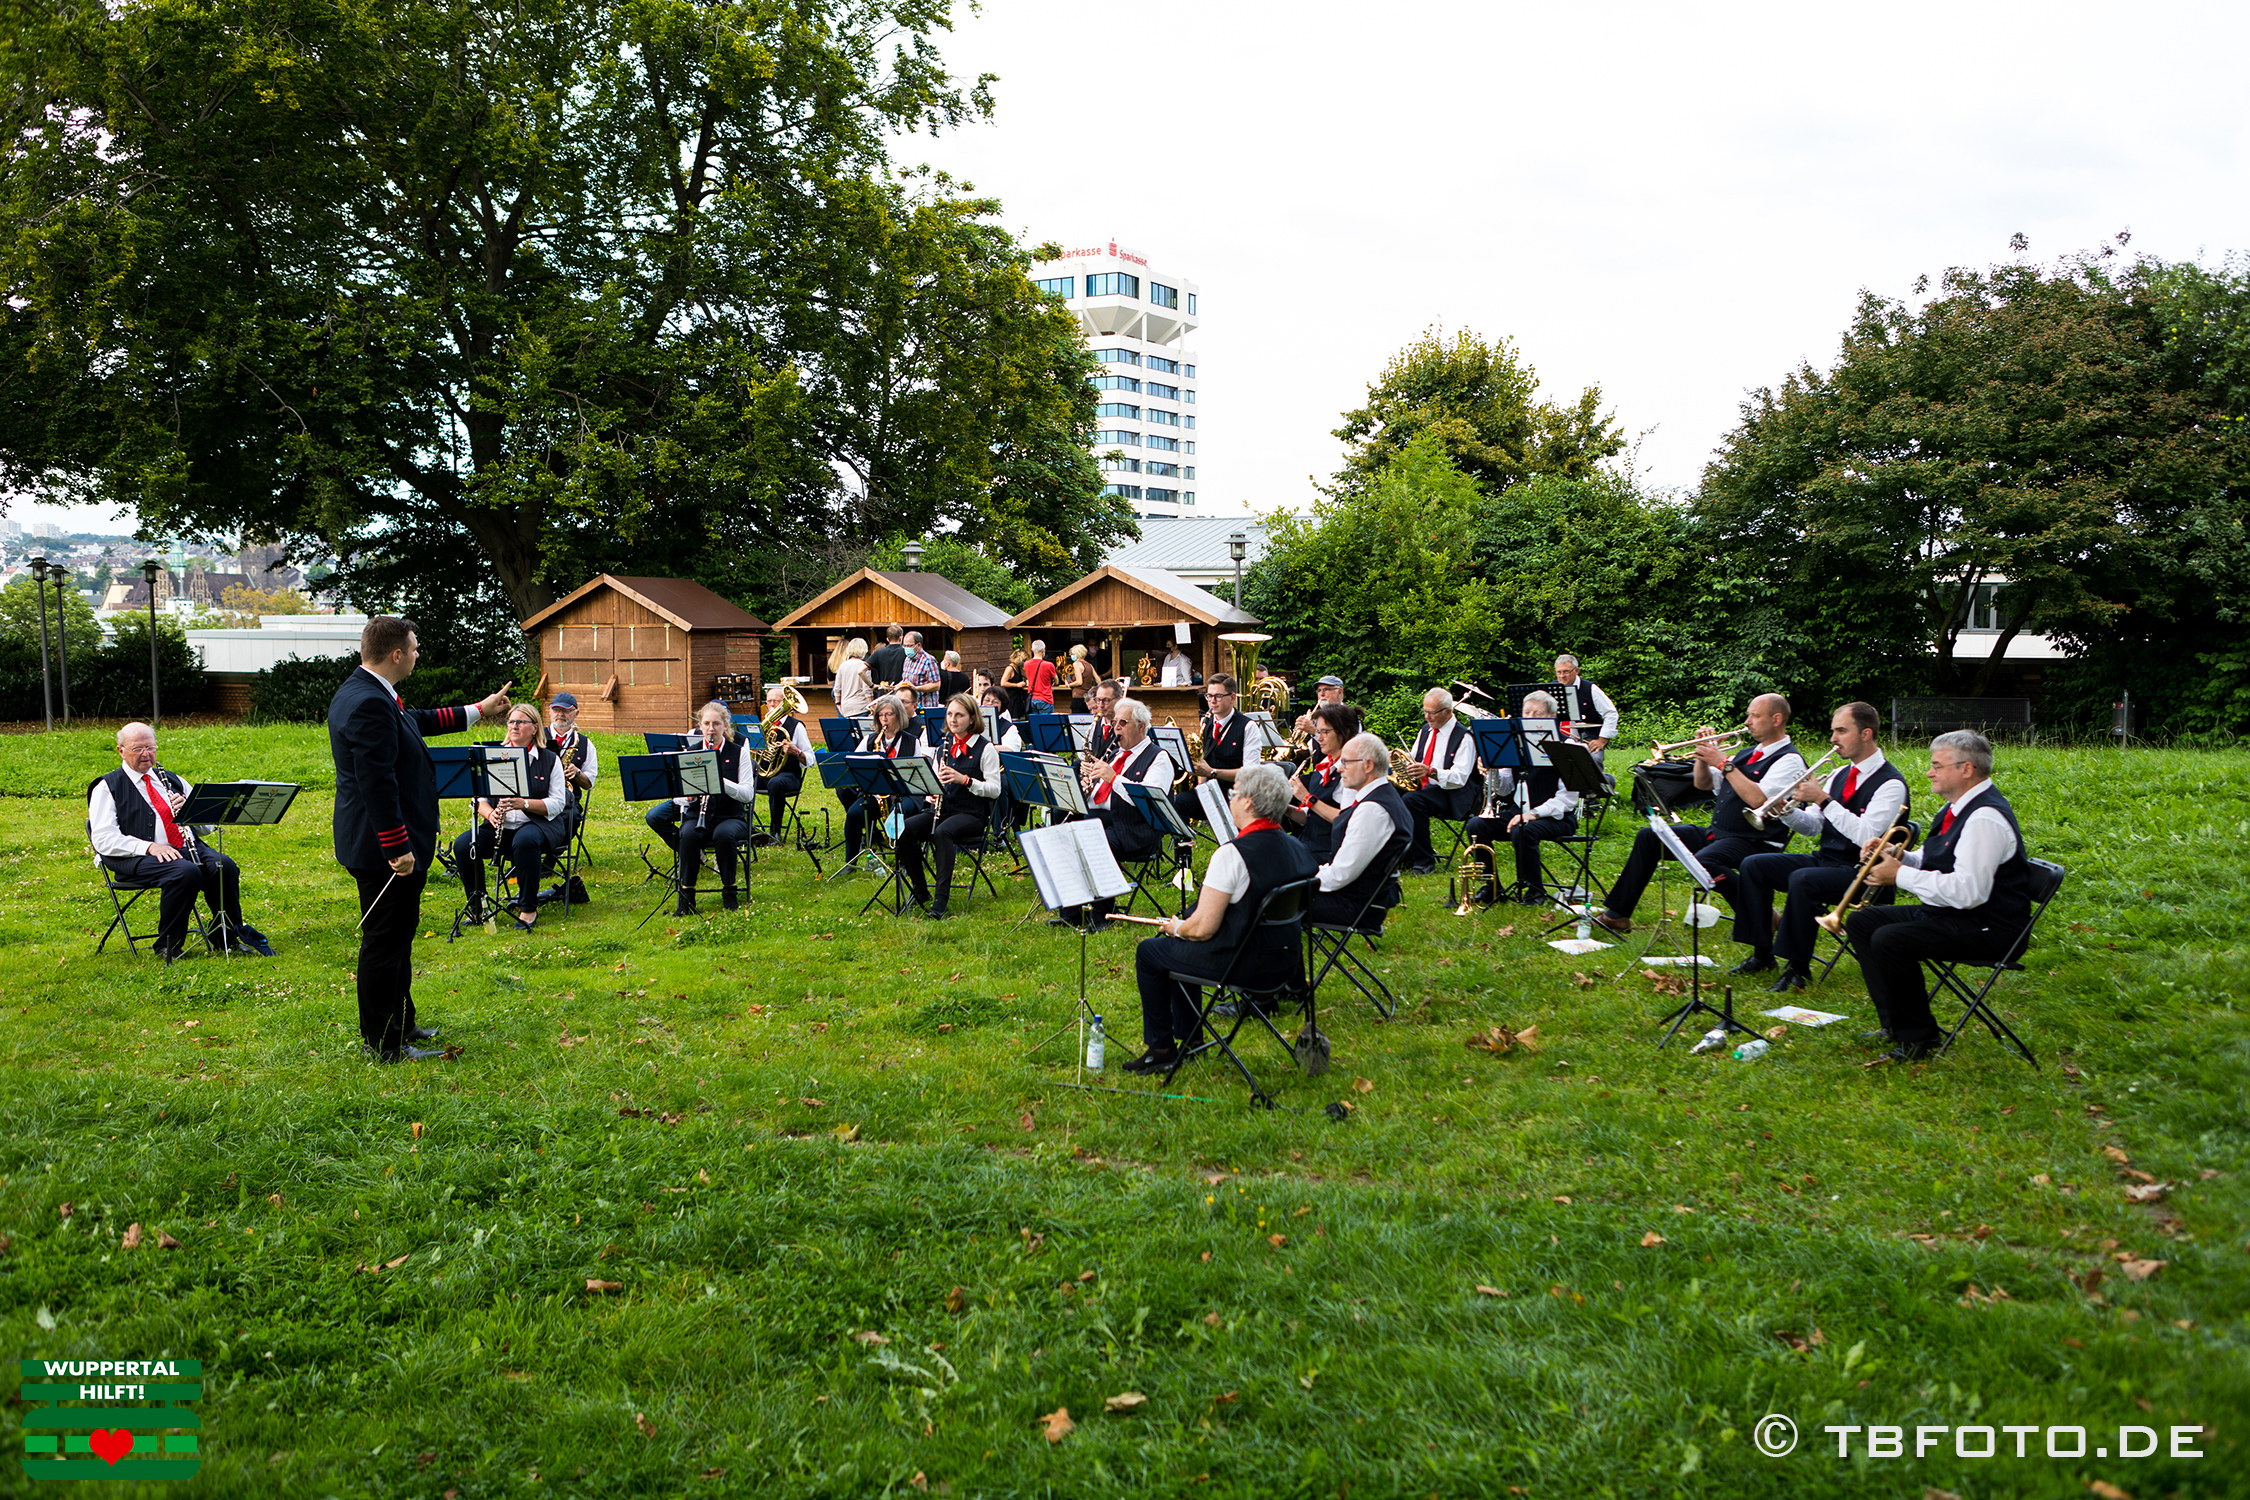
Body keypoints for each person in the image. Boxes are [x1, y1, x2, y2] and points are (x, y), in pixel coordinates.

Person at [329, 615, 510, 1062]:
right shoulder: (368, 702)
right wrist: (397, 847)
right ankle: (385, 1044)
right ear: (396, 655)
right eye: (413, 648)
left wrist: (480, 709)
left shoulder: (369, 691)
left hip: (382, 843)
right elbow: (377, 783)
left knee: (399, 936)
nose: (417, 654)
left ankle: (402, 1022)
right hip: (383, 850)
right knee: (384, 943)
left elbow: (415, 721)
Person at [1849, 731, 2035, 1066]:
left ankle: (1918, 1037)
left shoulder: (1984, 818)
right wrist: (1897, 855)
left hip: (1989, 927)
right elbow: (1934, 859)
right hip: (1955, 914)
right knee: (1863, 921)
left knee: (1890, 940)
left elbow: (1968, 893)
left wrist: (1898, 875)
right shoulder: (1956, 808)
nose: (1929, 772)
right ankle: (1896, 1023)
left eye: (1937, 766)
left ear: (1966, 769)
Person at [1120, 762, 1318, 1074]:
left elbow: (1201, 929)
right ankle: (1191, 1039)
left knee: (1151, 951)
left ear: (1248, 803)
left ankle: (1161, 1048)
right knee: (1178, 947)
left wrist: (1176, 927)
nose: (1230, 800)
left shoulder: (1232, 854)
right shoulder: (1299, 848)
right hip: (1284, 965)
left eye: (1233, 794)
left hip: (1243, 964)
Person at [1731, 701, 1910, 992]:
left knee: (1804, 879)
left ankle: (1797, 969)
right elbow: (1814, 826)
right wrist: (1785, 811)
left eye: (1841, 731)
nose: (1833, 739)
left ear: (1866, 734)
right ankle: (1762, 954)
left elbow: (1866, 835)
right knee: (1755, 865)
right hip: (1828, 860)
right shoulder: (1839, 775)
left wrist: (1824, 800)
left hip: (1866, 874)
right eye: (1833, 731)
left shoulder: (1890, 784)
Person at [1589, 694, 1805, 934]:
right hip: (1721, 834)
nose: (1747, 721)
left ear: (1776, 719)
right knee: (1649, 837)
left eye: (1755, 716)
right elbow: (1703, 784)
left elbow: (1759, 799)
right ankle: (1617, 916)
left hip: (1755, 841)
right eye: (1748, 715)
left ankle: (1763, 913)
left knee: (1704, 861)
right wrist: (1702, 755)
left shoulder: (1789, 760)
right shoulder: (1747, 753)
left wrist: (1723, 763)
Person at [89, 721, 274, 960]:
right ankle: (168, 945)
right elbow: (103, 839)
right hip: (135, 857)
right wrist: (149, 847)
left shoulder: (172, 780)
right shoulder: (107, 787)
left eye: (150, 748)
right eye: (137, 749)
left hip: (184, 848)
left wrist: (190, 810)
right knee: (184, 872)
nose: (146, 754)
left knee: (224, 866)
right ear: (121, 751)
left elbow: (206, 828)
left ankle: (227, 938)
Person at [452, 704, 571, 930]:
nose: (514, 726)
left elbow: (558, 803)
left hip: (538, 824)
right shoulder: (493, 757)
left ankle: (528, 908)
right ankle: (478, 908)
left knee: (525, 841)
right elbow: (478, 799)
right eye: (511, 722)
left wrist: (523, 803)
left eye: (521, 722)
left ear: (535, 728)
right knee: (463, 844)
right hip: (500, 826)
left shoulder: (549, 759)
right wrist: (490, 813)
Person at [1462, 692, 1584, 905]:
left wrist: (1533, 814)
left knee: (1524, 829)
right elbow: (1505, 788)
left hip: (1557, 817)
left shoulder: (1569, 746)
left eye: (1537, 714)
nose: (1530, 718)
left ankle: (1534, 890)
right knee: (1476, 825)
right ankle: (1491, 886)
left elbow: (1567, 799)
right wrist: (1491, 772)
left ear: (1552, 718)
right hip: (1518, 812)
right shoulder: (1515, 744)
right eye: (1526, 713)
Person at [895, 693, 1002, 918]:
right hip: (943, 810)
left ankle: (941, 899)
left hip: (971, 814)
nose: (953, 719)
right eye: (950, 714)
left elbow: (995, 790)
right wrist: (931, 794)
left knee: (943, 832)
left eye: (959, 715)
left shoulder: (986, 749)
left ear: (972, 719)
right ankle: (920, 890)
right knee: (904, 829)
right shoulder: (943, 746)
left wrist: (965, 780)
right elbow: (933, 784)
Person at [1068, 695, 1174, 923]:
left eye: (1123, 723)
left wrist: (1113, 778)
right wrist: (1088, 788)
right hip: (1102, 819)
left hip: (1135, 828)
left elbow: (1148, 798)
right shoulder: (1116, 753)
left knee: (1094, 842)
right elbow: (1103, 792)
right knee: (1066, 837)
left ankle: (1101, 916)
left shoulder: (1159, 758)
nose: (1116, 727)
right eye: (1115, 722)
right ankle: (1071, 914)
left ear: (1141, 726)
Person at [644, 701, 756, 913]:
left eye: (716, 724)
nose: (711, 729)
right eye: (706, 724)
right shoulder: (690, 752)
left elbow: (747, 794)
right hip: (698, 815)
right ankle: (686, 897)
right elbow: (678, 797)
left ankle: (729, 892)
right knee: (687, 834)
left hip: (730, 816)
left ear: (725, 725)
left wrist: (721, 782)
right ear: (700, 726)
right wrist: (688, 797)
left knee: (724, 835)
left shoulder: (738, 752)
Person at [1306, 733, 1413, 928]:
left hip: (1354, 906)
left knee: (1266, 900)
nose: (1339, 768)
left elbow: (1340, 875)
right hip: (1355, 898)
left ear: (1368, 765)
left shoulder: (1372, 810)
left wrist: (1297, 882)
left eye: (1346, 762)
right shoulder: (1382, 797)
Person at [1398, 688, 1480, 875]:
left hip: (1454, 795)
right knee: (1390, 793)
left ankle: (1424, 861)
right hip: (1427, 789)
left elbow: (1459, 778)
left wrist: (1431, 772)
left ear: (1448, 712)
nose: (1427, 717)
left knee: (1412, 800)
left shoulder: (1464, 737)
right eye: (1425, 711)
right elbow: (1414, 757)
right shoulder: (1425, 731)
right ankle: (1404, 854)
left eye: (1432, 713)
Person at [842, 694, 922, 868]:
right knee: (854, 814)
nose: (884, 719)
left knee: (898, 812)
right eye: (880, 715)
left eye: (889, 714)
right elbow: (854, 764)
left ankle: (905, 862)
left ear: (899, 715)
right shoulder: (870, 740)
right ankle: (851, 863)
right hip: (877, 795)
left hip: (905, 794)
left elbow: (917, 774)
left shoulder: (912, 741)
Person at [1285, 701, 1362, 861]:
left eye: (1325, 732)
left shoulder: (1351, 772)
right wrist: (1282, 808)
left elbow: (1346, 819)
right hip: (1310, 846)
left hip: (1330, 853)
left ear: (1344, 732)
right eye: (1317, 731)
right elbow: (1311, 817)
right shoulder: (1325, 765)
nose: (1318, 738)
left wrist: (1307, 798)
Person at [1174, 672, 1247, 827]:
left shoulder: (1248, 726)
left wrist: (1212, 772)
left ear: (1232, 697)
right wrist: (1200, 780)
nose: (1212, 701)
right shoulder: (1207, 721)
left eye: (1218, 696)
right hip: (1210, 791)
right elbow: (1206, 756)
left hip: (1236, 794)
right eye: (1209, 696)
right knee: (1178, 802)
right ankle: (1182, 842)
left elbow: (1249, 773)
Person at [755, 683, 817, 845]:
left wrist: (796, 752)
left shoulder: (796, 726)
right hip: (764, 773)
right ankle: (745, 829)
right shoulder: (761, 726)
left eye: (776, 701)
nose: (772, 705)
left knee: (776, 783)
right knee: (740, 779)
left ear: (783, 703)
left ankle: (775, 832)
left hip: (789, 776)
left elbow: (811, 759)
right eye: (769, 701)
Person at [1550, 655, 1619, 760]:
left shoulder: (1591, 689)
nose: (1562, 676)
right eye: (1559, 672)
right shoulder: (1551, 689)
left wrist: (1602, 740)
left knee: (1594, 759)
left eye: (1566, 672)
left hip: (1588, 738)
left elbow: (1611, 713)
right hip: (1559, 736)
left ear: (1576, 671)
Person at [833, 637, 875, 717]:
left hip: (846, 707)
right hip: (861, 706)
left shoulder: (842, 665)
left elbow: (837, 688)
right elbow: (867, 689)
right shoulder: (864, 666)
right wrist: (872, 706)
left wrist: (838, 704)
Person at [901, 630, 941, 708]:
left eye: (909, 646)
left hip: (925, 705)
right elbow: (905, 681)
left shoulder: (929, 660)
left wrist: (916, 688)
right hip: (911, 706)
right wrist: (893, 688)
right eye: (904, 646)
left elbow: (936, 685)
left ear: (919, 645)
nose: (906, 648)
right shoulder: (907, 659)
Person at [866, 624, 908, 698]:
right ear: (901, 638)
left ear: (887, 639)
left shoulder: (878, 653)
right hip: (901, 693)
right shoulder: (906, 653)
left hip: (883, 694)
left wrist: (872, 686)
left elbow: (860, 671)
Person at [1021, 639, 1059, 715]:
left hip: (1033, 698)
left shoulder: (1026, 664)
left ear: (1032, 650)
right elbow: (1057, 681)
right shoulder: (1049, 665)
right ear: (1043, 650)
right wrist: (1053, 682)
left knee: (1035, 721)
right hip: (1046, 698)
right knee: (1046, 721)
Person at [1086, 679, 1121, 760]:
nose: (1100, 705)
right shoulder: (1097, 723)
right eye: (1098, 700)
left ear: (1119, 700)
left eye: (1106, 700)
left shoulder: (1126, 726)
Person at [1064, 644, 1098, 713]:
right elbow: (1098, 681)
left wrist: (1068, 685)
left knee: (1076, 718)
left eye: (1073, 654)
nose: (1071, 656)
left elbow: (1079, 682)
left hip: (1078, 697)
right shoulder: (1089, 665)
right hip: (1088, 698)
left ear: (1078, 654)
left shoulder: (1076, 664)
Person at [1000, 648, 1031, 718]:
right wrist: (1017, 685)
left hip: (1018, 699)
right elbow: (1003, 682)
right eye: (1023, 660)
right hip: (1011, 699)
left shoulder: (1019, 668)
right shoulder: (1010, 668)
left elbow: (1027, 675)